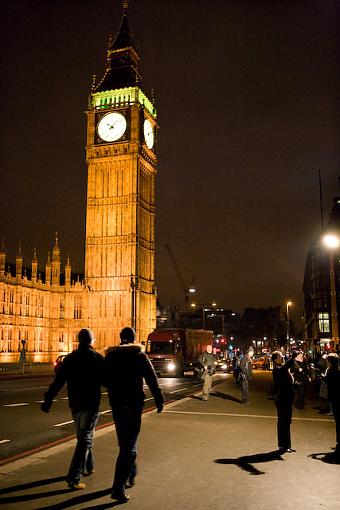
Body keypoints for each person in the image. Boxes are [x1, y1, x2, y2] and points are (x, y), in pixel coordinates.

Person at [105, 327, 164, 503]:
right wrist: (159, 399)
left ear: (120, 338)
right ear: (134, 339)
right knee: (129, 449)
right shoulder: (139, 356)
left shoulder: (111, 356)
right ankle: (118, 488)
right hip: (133, 405)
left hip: (116, 405)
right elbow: (151, 378)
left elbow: (102, 378)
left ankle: (130, 472)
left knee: (125, 444)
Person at [41, 329, 105, 490]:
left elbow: (58, 382)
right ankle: (74, 477)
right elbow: (107, 381)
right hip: (91, 403)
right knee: (85, 439)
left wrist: (48, 399)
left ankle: (89, 466)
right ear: (91, 341)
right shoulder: (97, 358)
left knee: (83, 436)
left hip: (75, 404)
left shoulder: (70, 358)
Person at [272, 350, 296, 453]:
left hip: (287, 397)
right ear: (275, 360)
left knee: (286, 421)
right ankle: (283, 445)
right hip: (282, 398)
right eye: (280, 357)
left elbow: (287, 381)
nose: (282, 358)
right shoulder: (278, 369)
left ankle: (286, 445)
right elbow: (284, 368)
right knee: (283, 422)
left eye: (282, 357)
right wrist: (293, 357)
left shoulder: (282, 369)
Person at [325, 353, 340, 458]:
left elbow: (329, 382)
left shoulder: (331, 370)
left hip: (335, 397)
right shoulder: (338, 370)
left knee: (338, 421)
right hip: (337, 396)